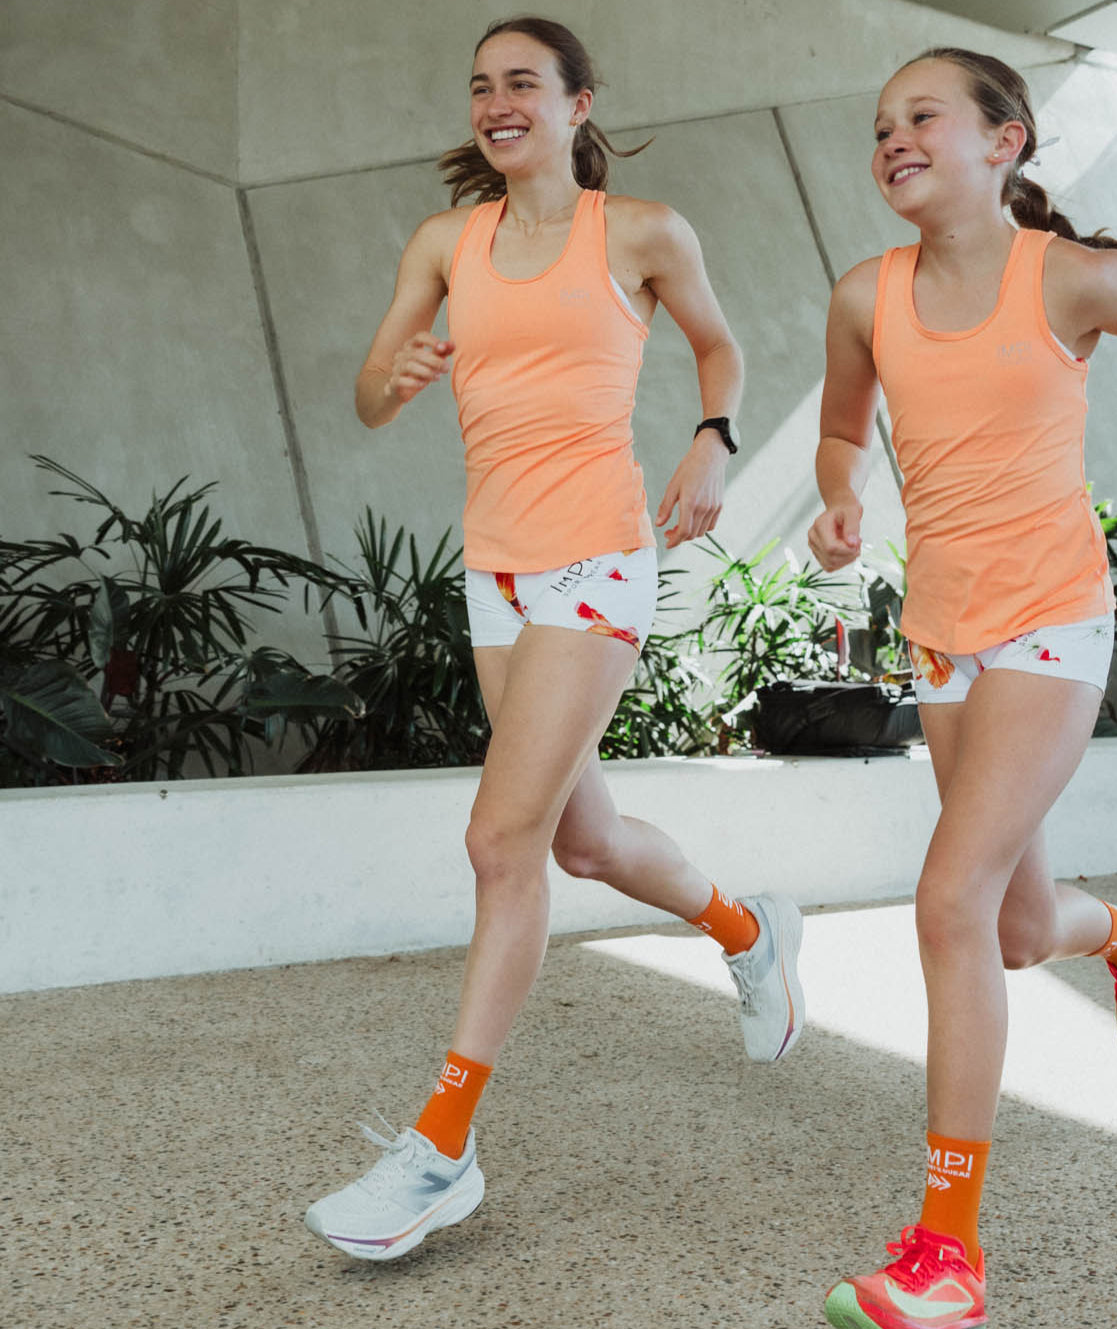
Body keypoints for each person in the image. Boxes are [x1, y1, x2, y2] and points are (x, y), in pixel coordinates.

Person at [304, 15, 805, 1262]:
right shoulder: (445, 242)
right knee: (582, 840)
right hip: (496, 567)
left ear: (580, 104)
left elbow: (721, 345)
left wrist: (711, 439)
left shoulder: (636, 231)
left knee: (499, 840)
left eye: (523, 82)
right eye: (481, 87)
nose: (496, 101)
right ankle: (750, 931)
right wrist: (406, 367)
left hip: (596, 558)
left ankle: (441, 1147)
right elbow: (369, 398)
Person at [808, 47, 1117, 1329]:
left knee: (949, 900)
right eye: (880, 124)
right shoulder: (864, 296)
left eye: (923, 116)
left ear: (1005, 142)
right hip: (943, 637)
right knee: (1010, 927)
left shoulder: (1070, 280)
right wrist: (840, 494)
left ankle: (948, 1253)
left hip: (1054, 621)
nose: (894, 137)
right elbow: (844, 429)